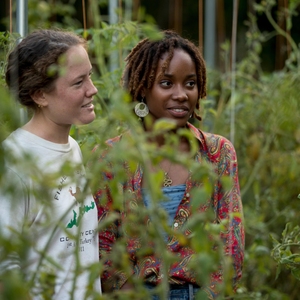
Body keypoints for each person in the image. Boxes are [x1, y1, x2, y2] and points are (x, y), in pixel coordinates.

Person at [94, 30, 244, 299]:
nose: (181, 94)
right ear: (142, 88)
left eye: (190, 84)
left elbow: (231, 243)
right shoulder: (111, 157)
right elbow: (103, 244)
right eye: (166, 83)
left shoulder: (218, 153)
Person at [0, 29, 101, 299]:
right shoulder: (15, 163)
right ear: (40, 95)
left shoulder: (73, 149)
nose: (93, 89)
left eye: (89, 75)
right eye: (78, 82)